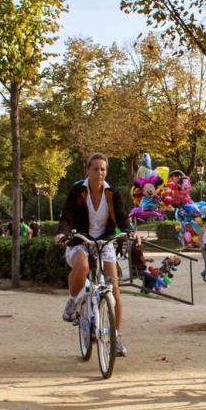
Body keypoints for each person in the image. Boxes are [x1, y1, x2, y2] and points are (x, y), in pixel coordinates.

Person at [55, 152, 133, 355]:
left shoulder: (112, 193)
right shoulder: (77, 191)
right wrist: (61, 233)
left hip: (104, 241)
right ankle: (73, 302)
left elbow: (122, 216)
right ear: (87, 170)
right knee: (82, 266)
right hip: (80, 239)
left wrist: (130, 232)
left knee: (114, 288)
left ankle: (115, 337)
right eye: (96, 168)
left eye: (103, 169)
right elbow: (66, 215)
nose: (100, 172)